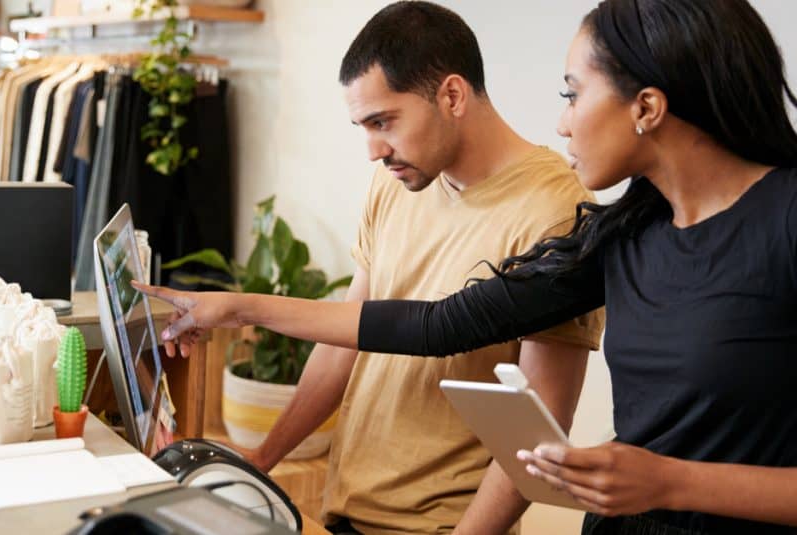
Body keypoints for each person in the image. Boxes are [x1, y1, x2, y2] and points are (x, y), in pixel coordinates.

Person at [135, 0, 797, 533]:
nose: (563, 123)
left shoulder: (783, 219)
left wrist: (670, 480)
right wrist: (237, 307)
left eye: (572, 94)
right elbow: (437, 325)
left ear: (647, 107)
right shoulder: (626, 235)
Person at [163, 2, 604, 534]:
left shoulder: (553, 211)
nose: (374, 150)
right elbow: (345, 340)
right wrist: (263, 458)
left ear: (452, 95)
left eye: (383, 122)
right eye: (363, 126)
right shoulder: (398, 180)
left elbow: (538, 429)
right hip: (346, 511)